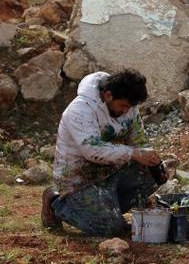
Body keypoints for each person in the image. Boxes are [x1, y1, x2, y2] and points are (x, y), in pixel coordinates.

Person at [41, 70, 163, 236]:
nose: (126, 111)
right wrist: (134, 153)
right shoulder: (80, 110)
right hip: (79, 180)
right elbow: (92, 150)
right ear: (108, 95)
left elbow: (139, 140)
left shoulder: (129, 108)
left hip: (110, 172)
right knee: (109, 229)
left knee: (153, 173)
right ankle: (57, 202)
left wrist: (151, 158)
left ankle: (107, 210)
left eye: (130, 107)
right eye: (123, 106)